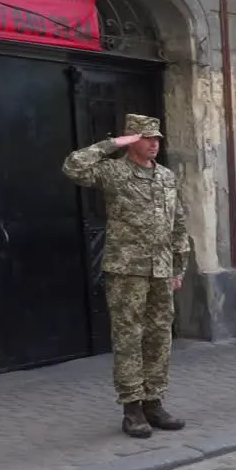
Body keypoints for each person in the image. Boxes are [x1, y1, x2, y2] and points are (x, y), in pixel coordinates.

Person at [61, 114, 190, 439]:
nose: (154, 143)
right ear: (132, 141)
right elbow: (73, 167)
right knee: (129, 336)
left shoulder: (165, 177)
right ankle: (131, 408)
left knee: (159, 335)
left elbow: (178, 223)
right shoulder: (115, 172)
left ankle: (153, 402)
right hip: (126, 269)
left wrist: (178, 266)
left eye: (157, 138)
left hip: (160, 269)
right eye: (147, 138)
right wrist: (113, 143)